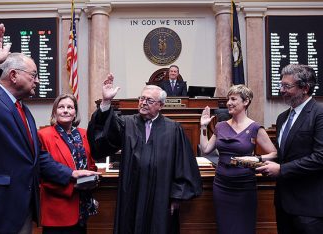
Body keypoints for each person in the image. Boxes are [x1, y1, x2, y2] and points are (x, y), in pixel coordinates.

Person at [0, 24, 93, 234]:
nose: (38, 80)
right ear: (13, 75)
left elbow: (36, 159)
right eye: (33, 74)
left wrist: (71, 173)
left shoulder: (24, 111)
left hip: (22, 207)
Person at [87, 73, 202, 234]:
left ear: (161, 105)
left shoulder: (174, 130)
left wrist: (176, 196)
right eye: (141, 99)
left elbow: (183, 165)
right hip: (131, 194)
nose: (143, 103)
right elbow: (103, 138)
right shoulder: (127, 123)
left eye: (149, 100)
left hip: (161, 198)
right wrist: (106, 102)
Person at [199, 84, 277, 234]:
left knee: (244, 227)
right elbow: (206, 149)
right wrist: (203, 127)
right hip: (221, 185)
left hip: (244, 186)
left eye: (233, 99)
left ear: (245, 101)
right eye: (228, 99)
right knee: (224, 226)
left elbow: (274, 153)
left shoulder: (255, 128)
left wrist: (256, 158)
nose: (229, 103)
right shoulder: (220, 126)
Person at [256, 64, 323, 234]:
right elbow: (284, 154)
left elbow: (320, 157)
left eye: (287, 86)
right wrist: (259, 160)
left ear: (305, 88)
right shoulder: (282, 118)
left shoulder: (319, 114)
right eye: (281, 85)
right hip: (283, 204)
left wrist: (281, 169)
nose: (282, 90)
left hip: (309, 207)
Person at [38, 93, 101, 234]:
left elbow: (90, 162)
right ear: (55, 111)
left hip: (82, 208)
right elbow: (44, 171)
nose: (65, 110)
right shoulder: (44, 135)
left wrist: (91, 179)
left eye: (70, 107)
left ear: (75, 113)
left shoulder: (84, 134)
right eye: (61, 107)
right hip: (58, 209)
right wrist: (75, 185)